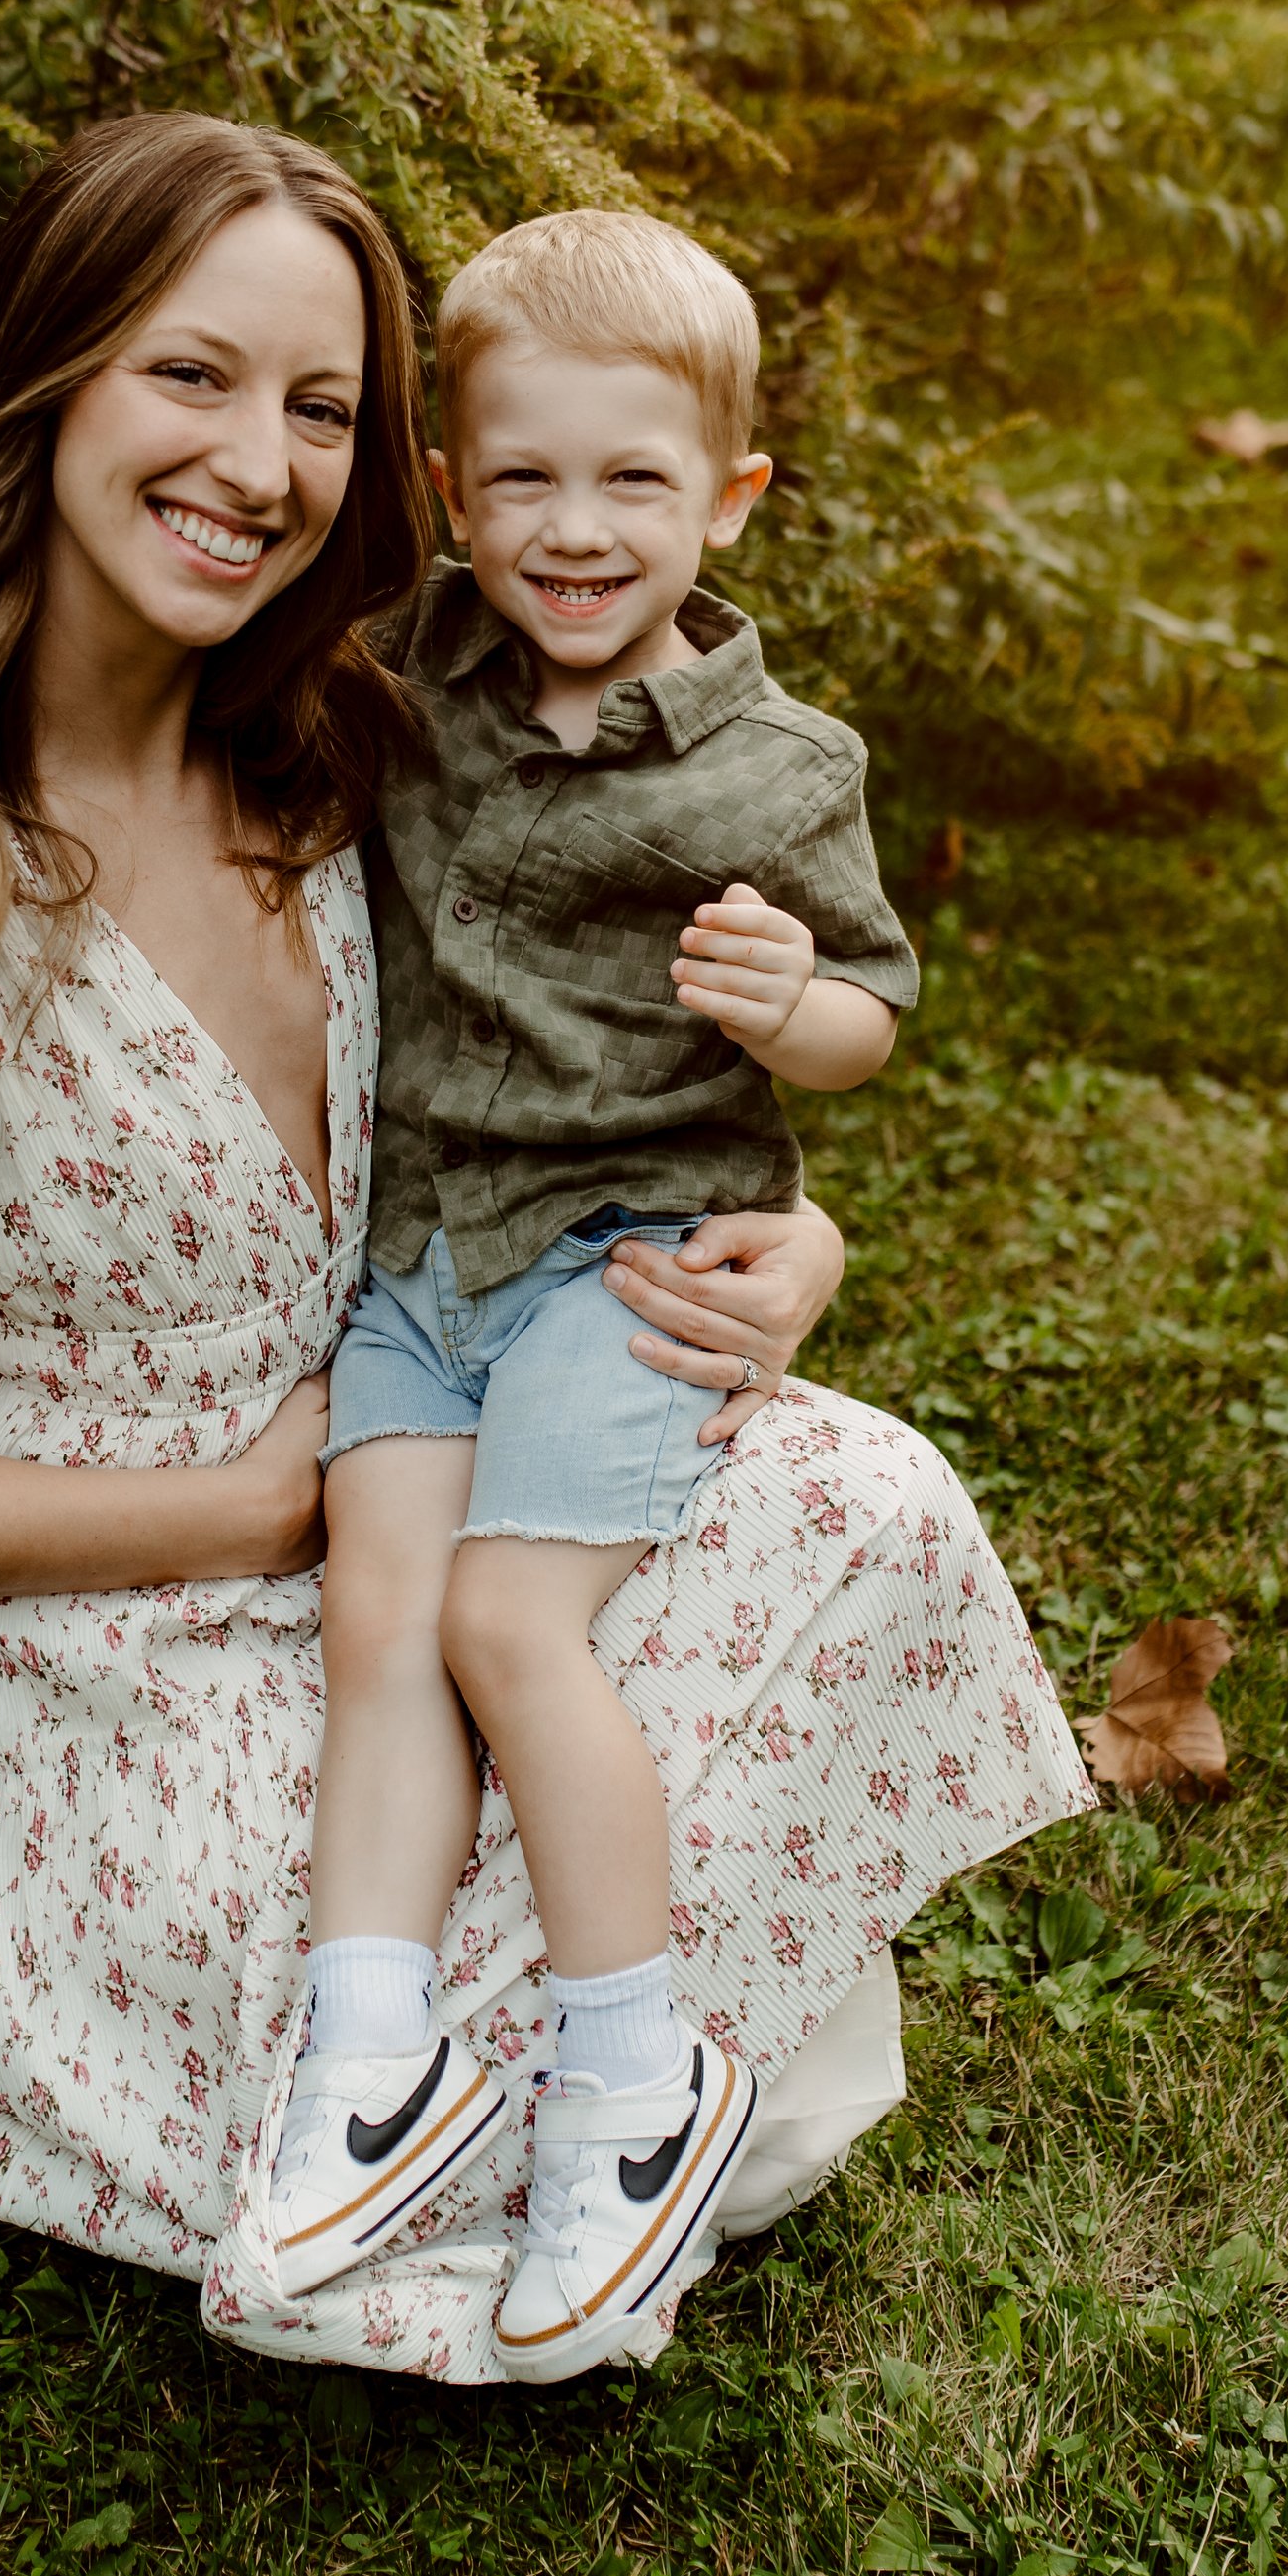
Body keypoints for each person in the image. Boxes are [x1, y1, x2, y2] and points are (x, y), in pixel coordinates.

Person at [0, 108, 1096, 2385]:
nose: (259, 463)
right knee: (298, 1902)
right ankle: (472, 2081)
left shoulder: (357, 751)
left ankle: (590, 2073)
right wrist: (235, 1502)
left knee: (860, 1497)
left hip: (430, 1421)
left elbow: (585, 1091)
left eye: (319, 409)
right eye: (188, 378)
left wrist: (781, 1253)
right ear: (38, 371)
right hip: (86, 1601)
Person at [272, 212, 919, 2383]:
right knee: (377, 1610)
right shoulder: (394, 684)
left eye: (632, 480)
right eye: (522, 478)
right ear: (450, 491)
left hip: (614, 1262)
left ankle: (629, 2085)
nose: (574, 527)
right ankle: (364, 2057)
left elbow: (866, 1027)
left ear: (726, 496)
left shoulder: (774, 769)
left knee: (495, 1621)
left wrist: (792, 1002)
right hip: (418, 1256)